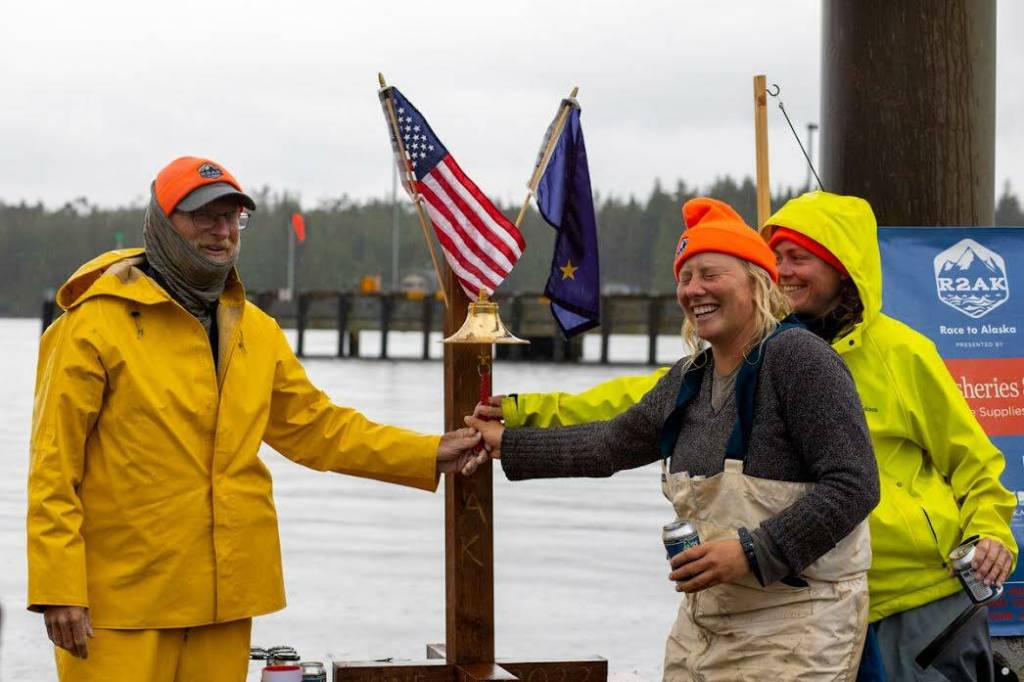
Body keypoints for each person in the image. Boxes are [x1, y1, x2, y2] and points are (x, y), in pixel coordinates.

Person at [482, 190, 1017, 681]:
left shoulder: (844, 356)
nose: (783, 270)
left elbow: (914, 473)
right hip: (760, 605)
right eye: (775, 256)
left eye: (797, 258)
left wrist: (992, 531)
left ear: (841, 266)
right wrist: (512, 424)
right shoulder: (712, 366)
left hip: (898, 598)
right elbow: (620, 427)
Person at [26, 156, 481, 682]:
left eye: (233, 218)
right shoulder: (90, 325)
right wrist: (58, 588)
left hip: (227, 599)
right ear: (161, 223)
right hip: (120, 606)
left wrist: (427, 452)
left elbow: (318, 429)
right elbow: (52, 467)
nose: (222, 232)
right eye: (204, 217)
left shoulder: (257, 330)